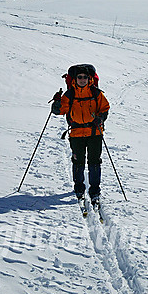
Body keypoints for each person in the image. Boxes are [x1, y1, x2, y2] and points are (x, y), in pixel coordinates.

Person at [51, 65, 109, 205]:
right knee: (78, 161)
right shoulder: (69, 95)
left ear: (89, 79)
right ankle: (79, 188)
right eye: (79, 77)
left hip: (94, 132)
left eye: (85, 77)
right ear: (75, 79)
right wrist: (57, 103)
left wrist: (100, 119)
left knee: (94, 161)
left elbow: (105, 108)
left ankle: (95, 190)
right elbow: (59, 111)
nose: (82, 79)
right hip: (76, 133)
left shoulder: (96, 93)